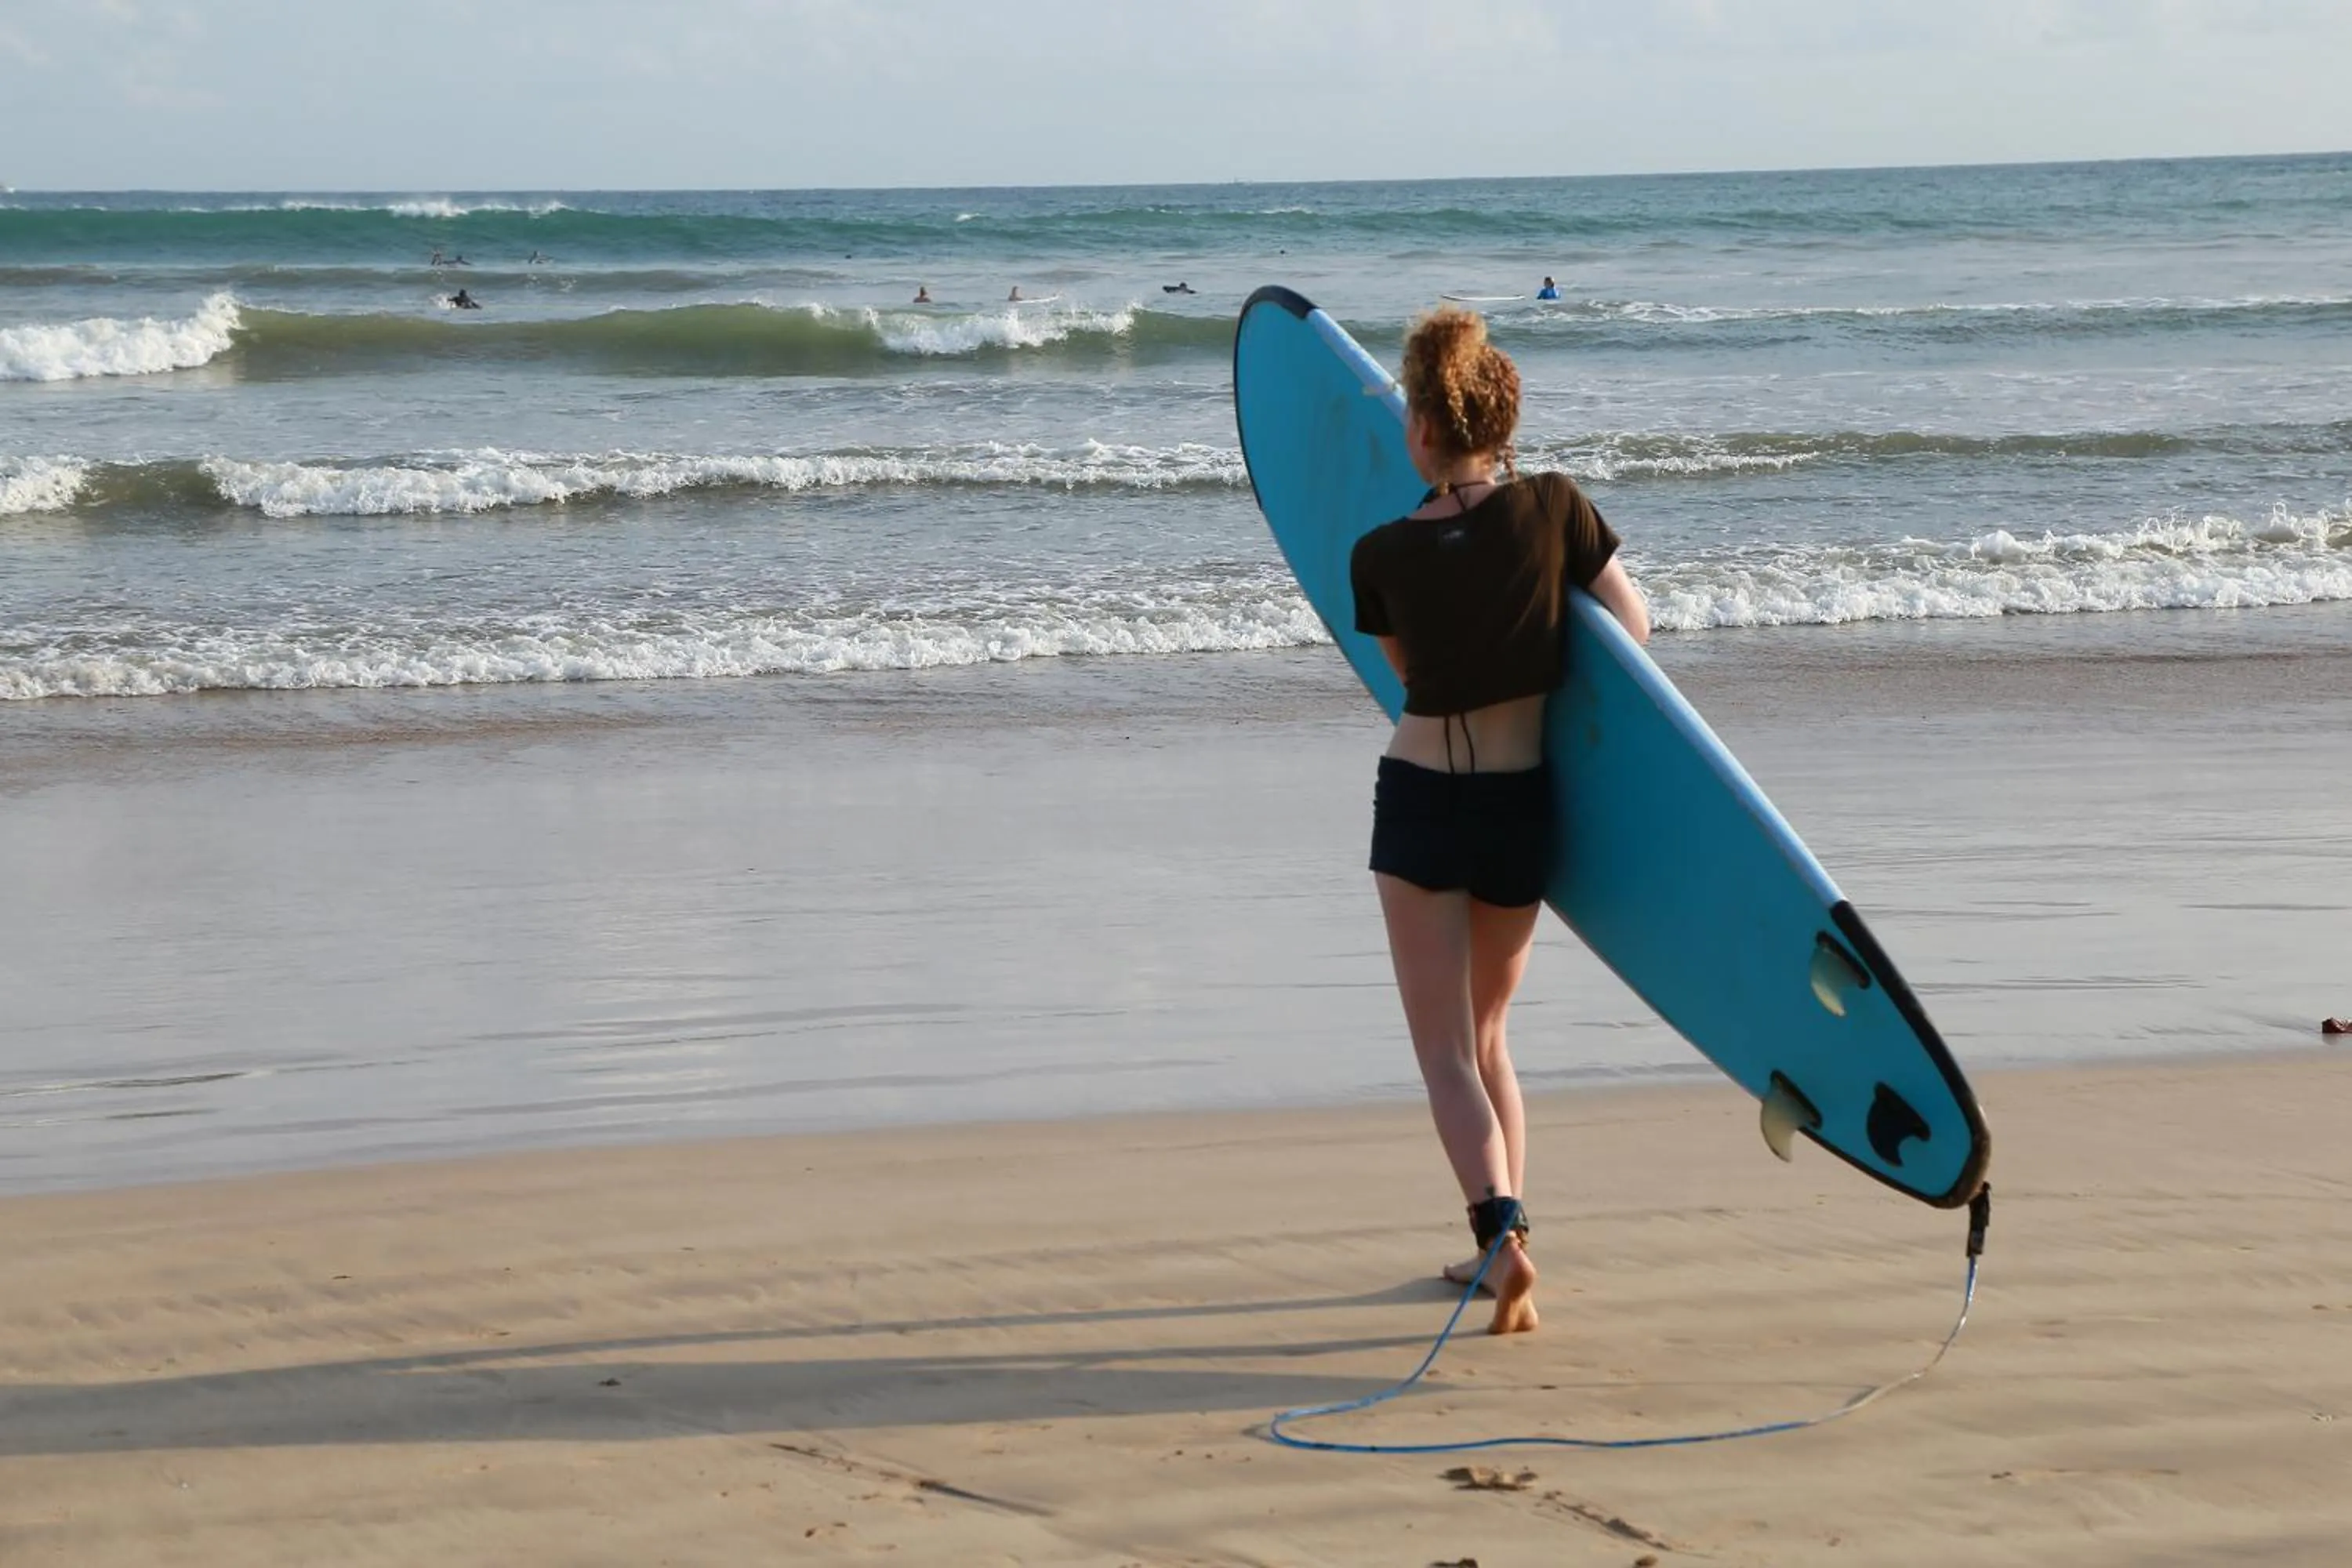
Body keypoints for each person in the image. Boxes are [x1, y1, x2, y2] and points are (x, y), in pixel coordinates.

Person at [1348, 307, 1650, 1336]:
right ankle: (1507, 1244)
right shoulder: (1558, 509)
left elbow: (1409, 680)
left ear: (1426, 429)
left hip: (1424, 798)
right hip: (1523, 803)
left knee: (1441, 1051)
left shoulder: (1380, 553)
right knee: (1489, 1037)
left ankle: (1499, 1238)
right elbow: (1634, 628)